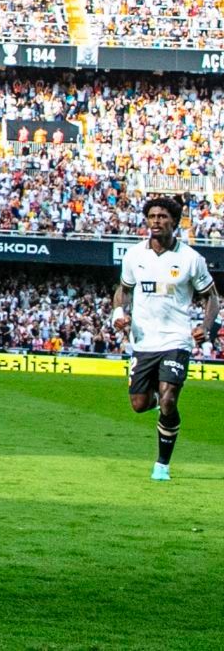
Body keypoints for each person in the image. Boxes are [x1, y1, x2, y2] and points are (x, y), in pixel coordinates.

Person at [112, 196, 219, 481]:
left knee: (170, 400)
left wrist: (205, 327)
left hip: (176, 340)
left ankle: (162, 465)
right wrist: (119, 313)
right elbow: (123, 289)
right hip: (143, 341)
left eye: (162, 217)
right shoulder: (134, 255)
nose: (156, 221)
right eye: (152, 216)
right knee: (138, 404)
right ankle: (159, 398)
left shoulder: (190, 259)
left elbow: (212, 297)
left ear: (174, 221)